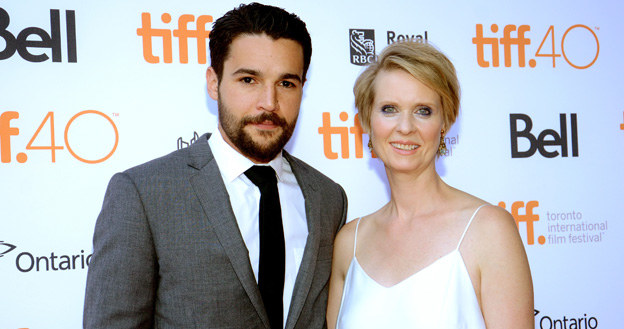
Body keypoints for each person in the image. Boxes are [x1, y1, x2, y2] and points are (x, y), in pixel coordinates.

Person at [83, 3, 347, 328]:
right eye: (249, 79)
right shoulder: (143, 194)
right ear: (213, 82)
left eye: (287, 83)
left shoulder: (328, 198)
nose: (269, 102)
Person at [327, 41, 533, 329]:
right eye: (389, 109)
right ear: (366, 121)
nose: (405, 127)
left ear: (446, 122)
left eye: (423, 111)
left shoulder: (489, 230)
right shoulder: (350, 242)